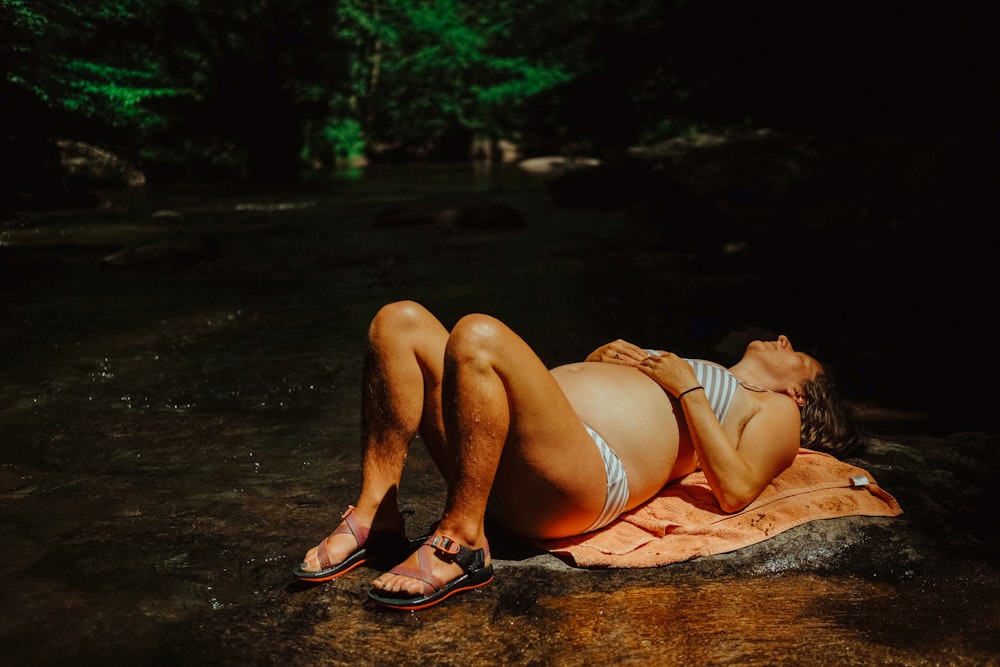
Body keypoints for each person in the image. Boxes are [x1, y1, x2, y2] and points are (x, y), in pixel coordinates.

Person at [292, 300, 869, 611]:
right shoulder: (697, 366)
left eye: (801, 359)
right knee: (399, 321)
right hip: (505, 459)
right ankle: (378, 515)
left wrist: (686, 388)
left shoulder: (774, 409)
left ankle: (465, 541)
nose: (786, 342)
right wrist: (603, 359)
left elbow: (737, 491)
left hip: (584, 479)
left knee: (479, 335)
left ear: (801, 392)